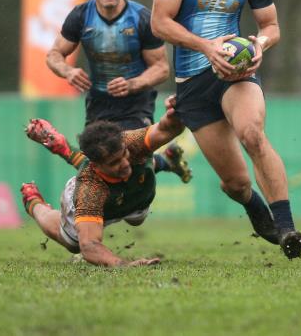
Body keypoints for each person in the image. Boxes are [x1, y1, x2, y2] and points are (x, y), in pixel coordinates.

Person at [150, 0, 301, 259]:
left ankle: (286, 228)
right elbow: (159, 23)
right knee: (236, 183)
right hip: (193, 84)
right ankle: (253, 206)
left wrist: (259, 45)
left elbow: (271, 26)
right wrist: (206, 47)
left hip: (235, 75)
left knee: (253, 134)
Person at [46, 0, 191, 183]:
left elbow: (162, 68)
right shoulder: (80, 16)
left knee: (129, 160)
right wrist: (68, 71)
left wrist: (132, 84)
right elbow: (54, 55)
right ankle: (165, 161)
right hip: (99, 104)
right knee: (102, 165)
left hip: (136, 104)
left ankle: (159, 164)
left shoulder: (142, 18)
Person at [19, 96, 186, 267]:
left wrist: (178, 111)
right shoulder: (89, 190)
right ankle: (33, 202)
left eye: (124, 154)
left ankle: (163, 161)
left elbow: (167, 128)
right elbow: (89, 247)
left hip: (136, 197)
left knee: (137, 217)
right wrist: (124, 265)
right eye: (114, 162)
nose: (125, 163)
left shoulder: (130, 141)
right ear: (96, 165)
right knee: (73, 243)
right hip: (100, 198)